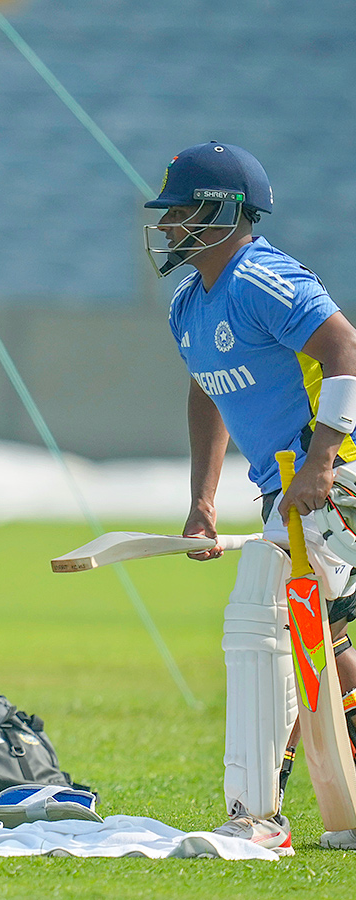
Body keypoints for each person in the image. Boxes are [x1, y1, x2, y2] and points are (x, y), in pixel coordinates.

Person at [143, 141, 356, 854]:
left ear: (222, 211)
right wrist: (202, 499)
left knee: (267, 621)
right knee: (321, 641)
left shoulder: (261, 278)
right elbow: (206, 390)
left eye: (179, 209)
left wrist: (324, 459)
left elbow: (346, 350)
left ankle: (258, 818)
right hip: (288, 486)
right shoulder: (187, 304)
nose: (168, 224)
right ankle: (277, 813)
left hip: (339, 471)